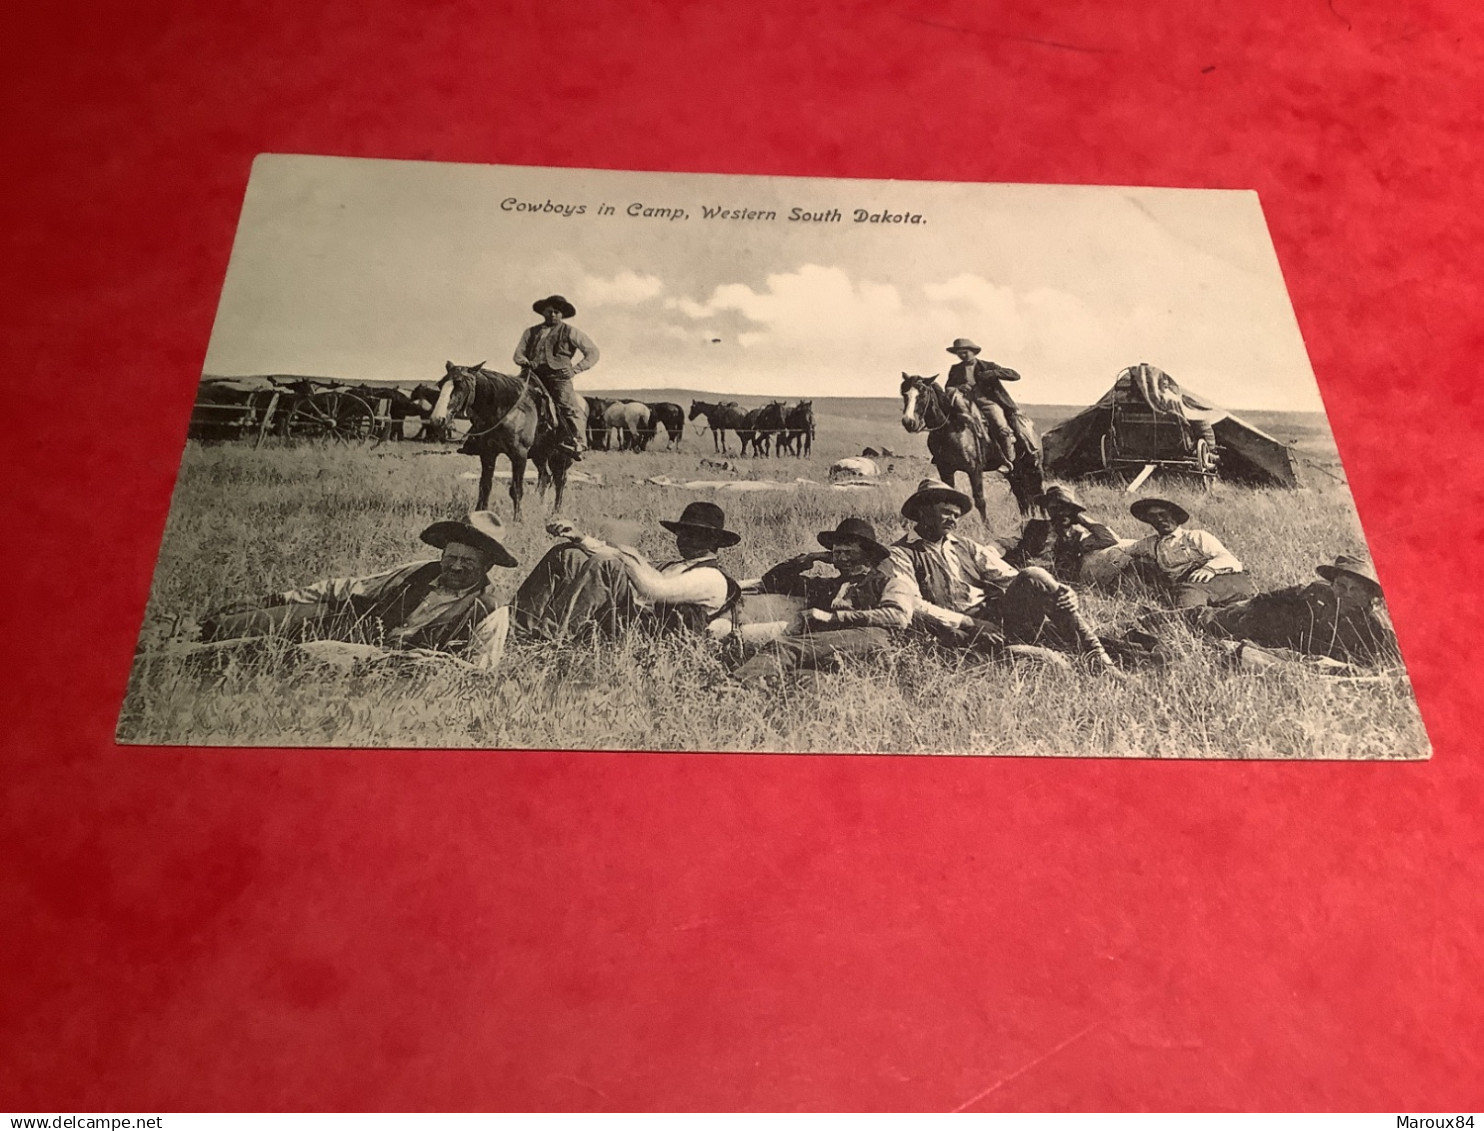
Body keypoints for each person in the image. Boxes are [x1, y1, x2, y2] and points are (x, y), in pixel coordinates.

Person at [197, 513, 519, 668]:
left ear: (487, 566)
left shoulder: (490, 609)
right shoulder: (421, 572)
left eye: (468, 562)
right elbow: (350, 587)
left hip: (391, 667)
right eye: (452, 558)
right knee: (270, 620)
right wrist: (280, 599)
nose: (457, 567)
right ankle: (200, 632)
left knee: (277, 656)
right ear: (442, 555)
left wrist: (428, 661)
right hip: (356, 634)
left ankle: (205, 660)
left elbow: (479, 673)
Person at [889, 478, 1116, 669]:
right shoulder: (901, 553)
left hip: (997, 621)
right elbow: (914, 605)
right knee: (1052, 662)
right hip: (955, 632)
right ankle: (1062, 657)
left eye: (956, 516)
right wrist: (970, 623)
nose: (953, 520)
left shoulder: (965, 545)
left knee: (1033, 574)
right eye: (946, 513)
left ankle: (1099, 657)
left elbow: (1009, 575)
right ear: (922, 511)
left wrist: (1060, 590)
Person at [510, 501, 741, 643]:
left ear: (713, 540)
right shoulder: (676, 564)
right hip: (628, 615)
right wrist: (581, 538)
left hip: (648, 632)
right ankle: (515, 628)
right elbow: (638, 568)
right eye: (682, 533)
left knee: (607, 565)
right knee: (569, 554)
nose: (683, 540)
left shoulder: (712, 578)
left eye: (694, 535)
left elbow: (654, 589)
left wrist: (622, 555)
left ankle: (550, 639)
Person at [729, 517, 914, 687]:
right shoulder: (827, 586)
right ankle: (744, 691)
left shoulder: (887, 583)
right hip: (829, 649)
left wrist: (834, 617)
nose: (841, 559)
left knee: (784, 646)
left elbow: (897, 616)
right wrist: (809, 559)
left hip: (871, 639)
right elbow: (772, 581)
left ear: (867, 555)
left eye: (849, 552)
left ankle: (732, 686)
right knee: (805, 679)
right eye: (836, 553)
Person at [1188, 554, 1398, 670]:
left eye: (1356, 590)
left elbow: (1378, 668)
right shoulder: (1319, 591)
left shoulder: (1377, 626)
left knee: (1223, 647)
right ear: (1333, 585)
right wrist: (1244, 606)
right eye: (1341, 586)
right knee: (1203, 618)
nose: (1345, 594)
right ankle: (1160, 617)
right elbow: (1273, 598)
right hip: (1265, 622)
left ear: (1369, 595)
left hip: (1293, 653)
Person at [1125, 497, 1255, 609]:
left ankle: (1188, 624)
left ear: (1174, 516)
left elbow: (1229, 559)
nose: (1159, 520)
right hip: (1190, 588)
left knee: (1187, 598)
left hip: (1225, 580)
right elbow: (1124, 549)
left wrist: (1209, 569)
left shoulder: (1196, 536)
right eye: (1153, 517)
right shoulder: (1151, 543)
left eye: (1163, 515)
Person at [513, 294, 599, 458]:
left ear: (562, 314)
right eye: (549, 311)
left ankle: (577, 442)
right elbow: (518, 354)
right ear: (543, 312)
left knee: (567, 406)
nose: (552, 315)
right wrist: (524, 361)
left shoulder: (571, 332)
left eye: (556, 312)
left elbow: (593, 352)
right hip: (531, 374)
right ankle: (480, 437)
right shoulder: (530, 332)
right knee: (508, 397)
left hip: (558, 376)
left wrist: (576, 369)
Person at [943, 338, 1039, 470]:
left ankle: (1008, 459)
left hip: (987, 402)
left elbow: (1015, 375)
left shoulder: (987, 365)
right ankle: (946, 456)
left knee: (1001, 425)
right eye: (959, 353)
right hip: (965, 402)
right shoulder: (955, 369)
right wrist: (959, 387)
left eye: (965, 352)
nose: (962, 356)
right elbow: (948, 386)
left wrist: (994, 373)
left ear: (973, 352)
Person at [1005, 484, 1125, 585]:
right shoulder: (1029, 526)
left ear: (1071, 511)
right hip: (1017, 576)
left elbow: (1110, 539)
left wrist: (1080, 519)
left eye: (1064, 508)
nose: (1059, 512)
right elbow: (1002, 543)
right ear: (1047, 508)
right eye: (1054, 507)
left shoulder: (1078, 537)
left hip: (1051, 584)